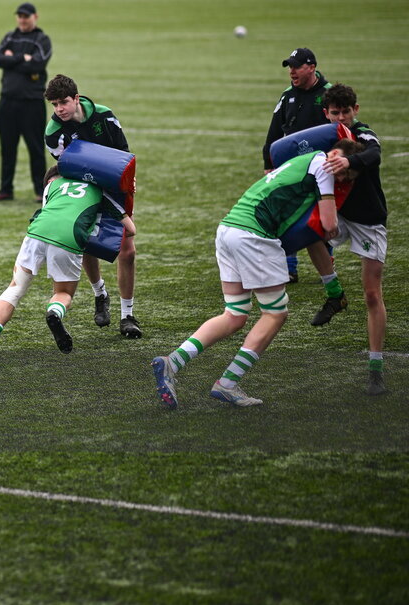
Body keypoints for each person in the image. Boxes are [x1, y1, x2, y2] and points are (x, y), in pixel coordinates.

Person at [152, 139, 361, 409]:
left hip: (229, 228)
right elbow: (329, 224)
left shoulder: (301, 162)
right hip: (255, 236)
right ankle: (227, 383)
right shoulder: (322, 165)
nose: (342, 177)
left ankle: (172, 362)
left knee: (235, 314)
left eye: (347, 175)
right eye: (343, 171)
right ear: (334, 154)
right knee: (275, 313)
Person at [0, 165, 125, 356]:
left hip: (36, 232)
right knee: (63, 292)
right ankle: (55, 312)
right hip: (68, 238)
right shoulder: (97, 187)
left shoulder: (51, 187)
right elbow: (129, 228)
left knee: (15, 288)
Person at [43, 74, 140, 338]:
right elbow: (69, 170)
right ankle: (100, 293)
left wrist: (127, 186)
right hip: (85, 189)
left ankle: (127, 315)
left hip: (116, 185)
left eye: (63, 102)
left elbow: (124, 152)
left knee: (127, 251)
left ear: (77, 98)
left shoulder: (104, 115)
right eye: (54, 104)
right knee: (87, 243)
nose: (59, 109)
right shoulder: (54, 134)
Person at [307, 84, 388, 395]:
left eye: (346, 111)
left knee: (371, 294)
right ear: (327, 113)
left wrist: (349, 162)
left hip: (368, 219)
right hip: (338, 213)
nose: (341, 116)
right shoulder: (324, 135)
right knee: (308, 231)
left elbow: (375, 154)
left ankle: (375, 370)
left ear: (356, 110)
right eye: (335, 112)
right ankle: (335, 292)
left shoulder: (363, 133)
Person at [262, 48, 332, 283]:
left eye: (296, 66)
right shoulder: (287, 96)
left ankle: (327, 264)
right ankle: (289, 267)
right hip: (290, 166)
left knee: (321, 216)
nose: (291, 71)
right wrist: (268, 162)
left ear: (311, 67)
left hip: (320, 167)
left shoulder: (328, 94)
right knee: (284, 213)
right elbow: (274, 130)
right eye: (289, 66)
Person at [0, 2, 52, 203]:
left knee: (35, 148)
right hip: (7, 101)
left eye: (26, 16)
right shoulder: (10, 36)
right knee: (7, 148)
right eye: (20, 16)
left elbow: (38, 63)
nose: (23, 20)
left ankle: (41, 191)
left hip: (32, 103)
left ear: (35, 17)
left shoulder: (42, 39)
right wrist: (22, 58)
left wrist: (12, 59)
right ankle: (5, 189)